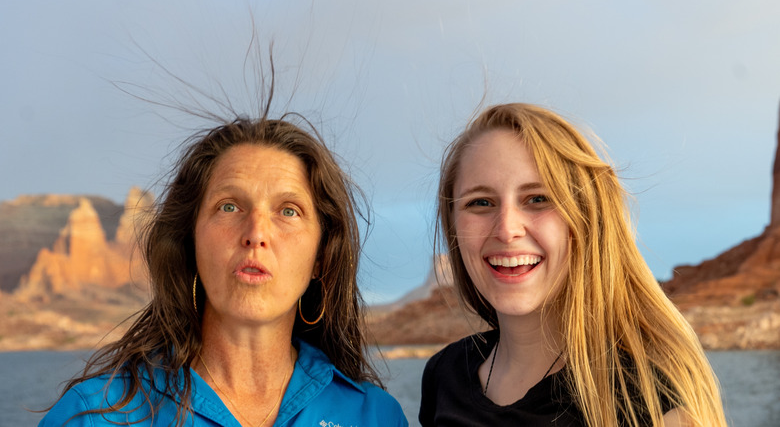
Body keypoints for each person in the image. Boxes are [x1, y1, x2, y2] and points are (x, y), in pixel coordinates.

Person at [40, 112, 408, 426]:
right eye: (229, 207)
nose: (256, 234)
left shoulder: (375, 416)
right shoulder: (91, 416)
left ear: (321, 258)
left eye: (288, 211)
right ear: (190, 241)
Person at [419, 103, 727, 426]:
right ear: (452, 224)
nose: (507, 229)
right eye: (480, 202)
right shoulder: (444, 376)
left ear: (584, 219)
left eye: (538, 198)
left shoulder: (649, 401)